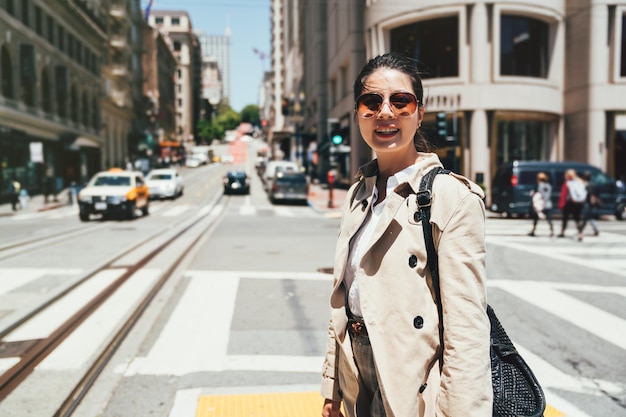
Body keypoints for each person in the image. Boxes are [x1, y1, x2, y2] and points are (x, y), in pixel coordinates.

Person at [321, 52, 492, 417]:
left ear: (420, 113)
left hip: (411, 377)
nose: (385, 112)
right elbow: (343, 298)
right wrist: (331, 387)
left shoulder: (452, 197)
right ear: (358, 114)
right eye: (372, 102)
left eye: (401, 101)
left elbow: (468, 330)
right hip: (355, 370)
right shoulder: (360, 192)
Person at [557, 169, 587, 241]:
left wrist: (561, 204)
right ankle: (580, 233)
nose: (565, 176)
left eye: (566, 174)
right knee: (577, 219)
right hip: (578, 203)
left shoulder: (568, 183)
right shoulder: (580, 181)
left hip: (569, 203)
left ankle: (562, 232)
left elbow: (564, 195)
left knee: (565, 218)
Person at [528, 172, 554, 236]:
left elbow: (532, 194)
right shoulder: (549, 186)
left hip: (539, 205)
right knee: (549, 218)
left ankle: (533, 231)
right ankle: (552, 231)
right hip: (548, 204)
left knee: (535, 218)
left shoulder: (538, 186)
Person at [580, 171, 600, 236]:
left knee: (586, 217)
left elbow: (583, 193)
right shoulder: (594, 184)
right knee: (589, 216)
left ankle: (581, 230)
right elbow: (597, 193)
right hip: (592, 202)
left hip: (587, 202)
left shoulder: (585, 184)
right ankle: (595, 228)